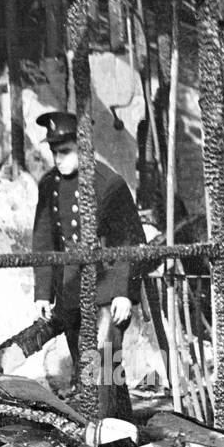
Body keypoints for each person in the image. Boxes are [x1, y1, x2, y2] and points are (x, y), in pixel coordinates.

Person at [32, 111, 146, 419]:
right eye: (55, 152)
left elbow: (129, 241)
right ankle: (119, 427)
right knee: (89, 364)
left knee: (105, 364)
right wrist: (43, 293)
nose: (58, 159)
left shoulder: (109, 183)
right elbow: (44, 241)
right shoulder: (49, 186)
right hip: (69, 290)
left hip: (106, 289)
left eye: (65, 151)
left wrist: (124, 291)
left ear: (83, 147)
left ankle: (104, 429)